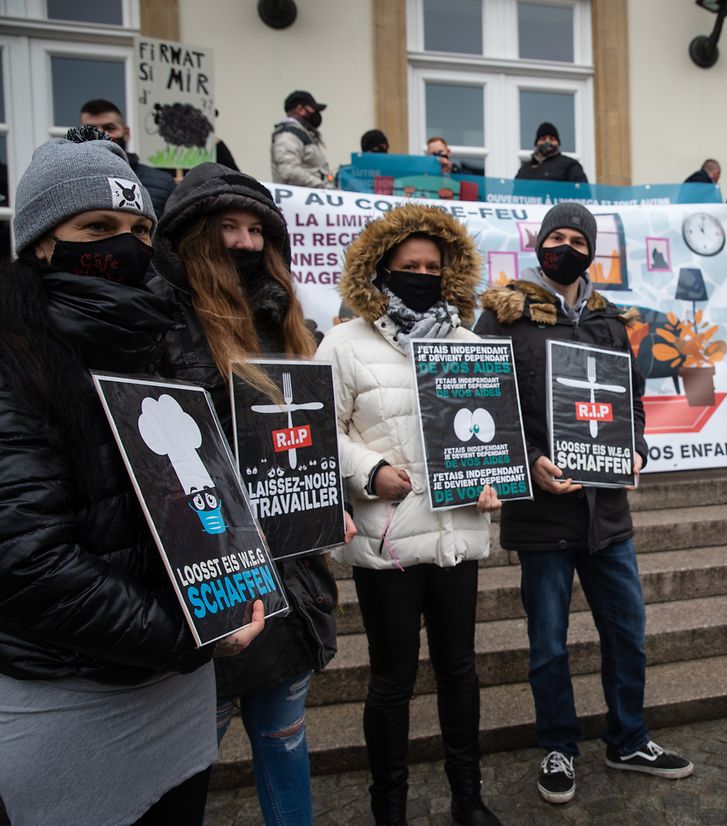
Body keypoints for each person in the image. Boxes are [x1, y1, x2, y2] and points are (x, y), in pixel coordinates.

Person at [0, 129, 265, 825]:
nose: (125, 245)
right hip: (68, 697)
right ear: (40, 242)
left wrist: (232, 568)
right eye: (97, 227)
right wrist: (184, 634)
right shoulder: (13, 360)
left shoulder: (155, 342)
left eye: (139, 229)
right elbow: (28, 564)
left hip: (175, 691)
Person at [148, 162, 352, 826]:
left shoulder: (290, 328)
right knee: (183, 766)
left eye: (255, 230)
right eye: (226, 228)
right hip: (211, 586)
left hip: (289, 583)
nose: (243, 242)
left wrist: (329, 508)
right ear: (189, 239)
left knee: (285, 741)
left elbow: (307, 444)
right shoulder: (157, 321)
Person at [475, 203, 694, 805]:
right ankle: (558, 746)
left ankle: (628, 739)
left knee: (628, 632)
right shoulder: (503, 315)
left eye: (577, 239)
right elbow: (480, 407)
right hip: (541, 512)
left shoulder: (609, 320)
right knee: (548, 643)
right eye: (556, 237)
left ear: (591, 251)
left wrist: (638, 450)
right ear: (540, 245)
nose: (565, 247)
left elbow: (633, 402)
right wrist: (527, 464)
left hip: (607, 515)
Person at [316, 204, 503, 826]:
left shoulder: (470, 345)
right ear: (381, 270)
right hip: (388, 537)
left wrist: (489, 479)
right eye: (408, 266)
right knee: (392, 680)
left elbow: (490, 432)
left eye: (432, 265)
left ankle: (467, 798)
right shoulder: (344, 342)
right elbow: (320, 430)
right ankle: (388, 808)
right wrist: (368, 472)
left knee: (460, 672)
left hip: (455, 536)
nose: (422, 274)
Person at [79, 98, 177, 217]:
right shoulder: (67, 181)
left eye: (109, 128)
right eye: (91, 129)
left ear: (126, 133)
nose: (100, 135)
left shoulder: (163, 183)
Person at [271, 90, 331, 189]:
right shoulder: (288, 134)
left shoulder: (302, 134)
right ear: (300, 109)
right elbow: (289, 172)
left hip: (310, 199)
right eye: (313, 109)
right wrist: (323, 186)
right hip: (298, 202)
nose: (317, 114)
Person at [515, 122, 588, 183]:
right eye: (543, 139)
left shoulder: (569, 165)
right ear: (536, 143)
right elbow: (515, 197)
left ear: (558, 143)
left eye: (552, 139)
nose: (547, 141)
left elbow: (583, 193)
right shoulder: (525, 169)